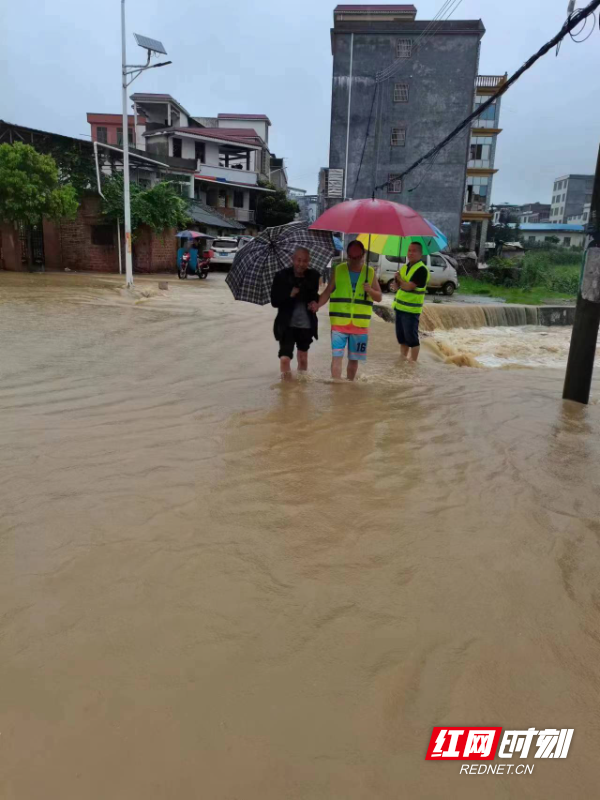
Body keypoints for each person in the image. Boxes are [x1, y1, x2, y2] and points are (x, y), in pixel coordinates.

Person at [317, 240, 382, 381]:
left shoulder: (370, 273)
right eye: (351, 257)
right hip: (339, 324)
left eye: (358, 257)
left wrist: (370, 290)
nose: (354, 261)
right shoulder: (338, 270)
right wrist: (316, 305)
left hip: (360, 325)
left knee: (354, 361)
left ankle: (350, 386)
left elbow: (379, 297)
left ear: (363, 255)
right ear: (347, 255)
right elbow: (327, 292)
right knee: (337, 357)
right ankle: (337, 388)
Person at [270, 246, 320, 377]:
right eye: (298, 260)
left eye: (304, 261)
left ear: (308, 262)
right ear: (292, 260)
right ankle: (286, 390)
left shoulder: (313, 276)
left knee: (303, 358)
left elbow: (315, 295)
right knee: (285, 359)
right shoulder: (281, 276)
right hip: (286, 324)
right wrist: (289, 294)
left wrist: (315, 303)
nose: (301, 264)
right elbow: (274, 301)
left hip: (306, 324)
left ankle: (300, 389)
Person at [393, 241, 430, 362]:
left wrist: (399, 280)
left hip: (411, 310)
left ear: (420, 254)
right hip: (399, 308)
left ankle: (413, 362)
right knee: (402, 339)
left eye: (414, 251)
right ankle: (403, 360)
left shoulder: (421, 270)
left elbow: (409, 287)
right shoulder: (404, 268)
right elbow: (397, 287)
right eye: (409, 250)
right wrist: (396, 281)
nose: (411, 253)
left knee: (412, 339)